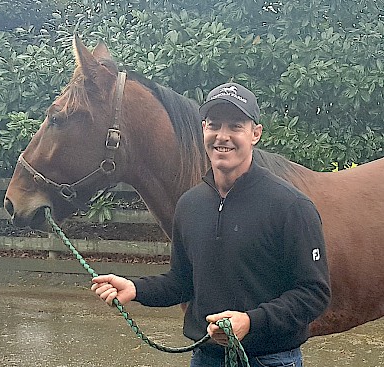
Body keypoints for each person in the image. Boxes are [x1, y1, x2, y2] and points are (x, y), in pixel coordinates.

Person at [91, 82, 331, 367]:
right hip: (206, 358)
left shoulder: (291, 206)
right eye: (214, 124)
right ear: (202, 129)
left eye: (235, 126)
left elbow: (313, 294)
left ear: (255, 134)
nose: (223, 136)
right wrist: (135, 288)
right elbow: (182, 281)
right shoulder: (190, 205)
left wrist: (251, 322)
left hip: (270, 360)